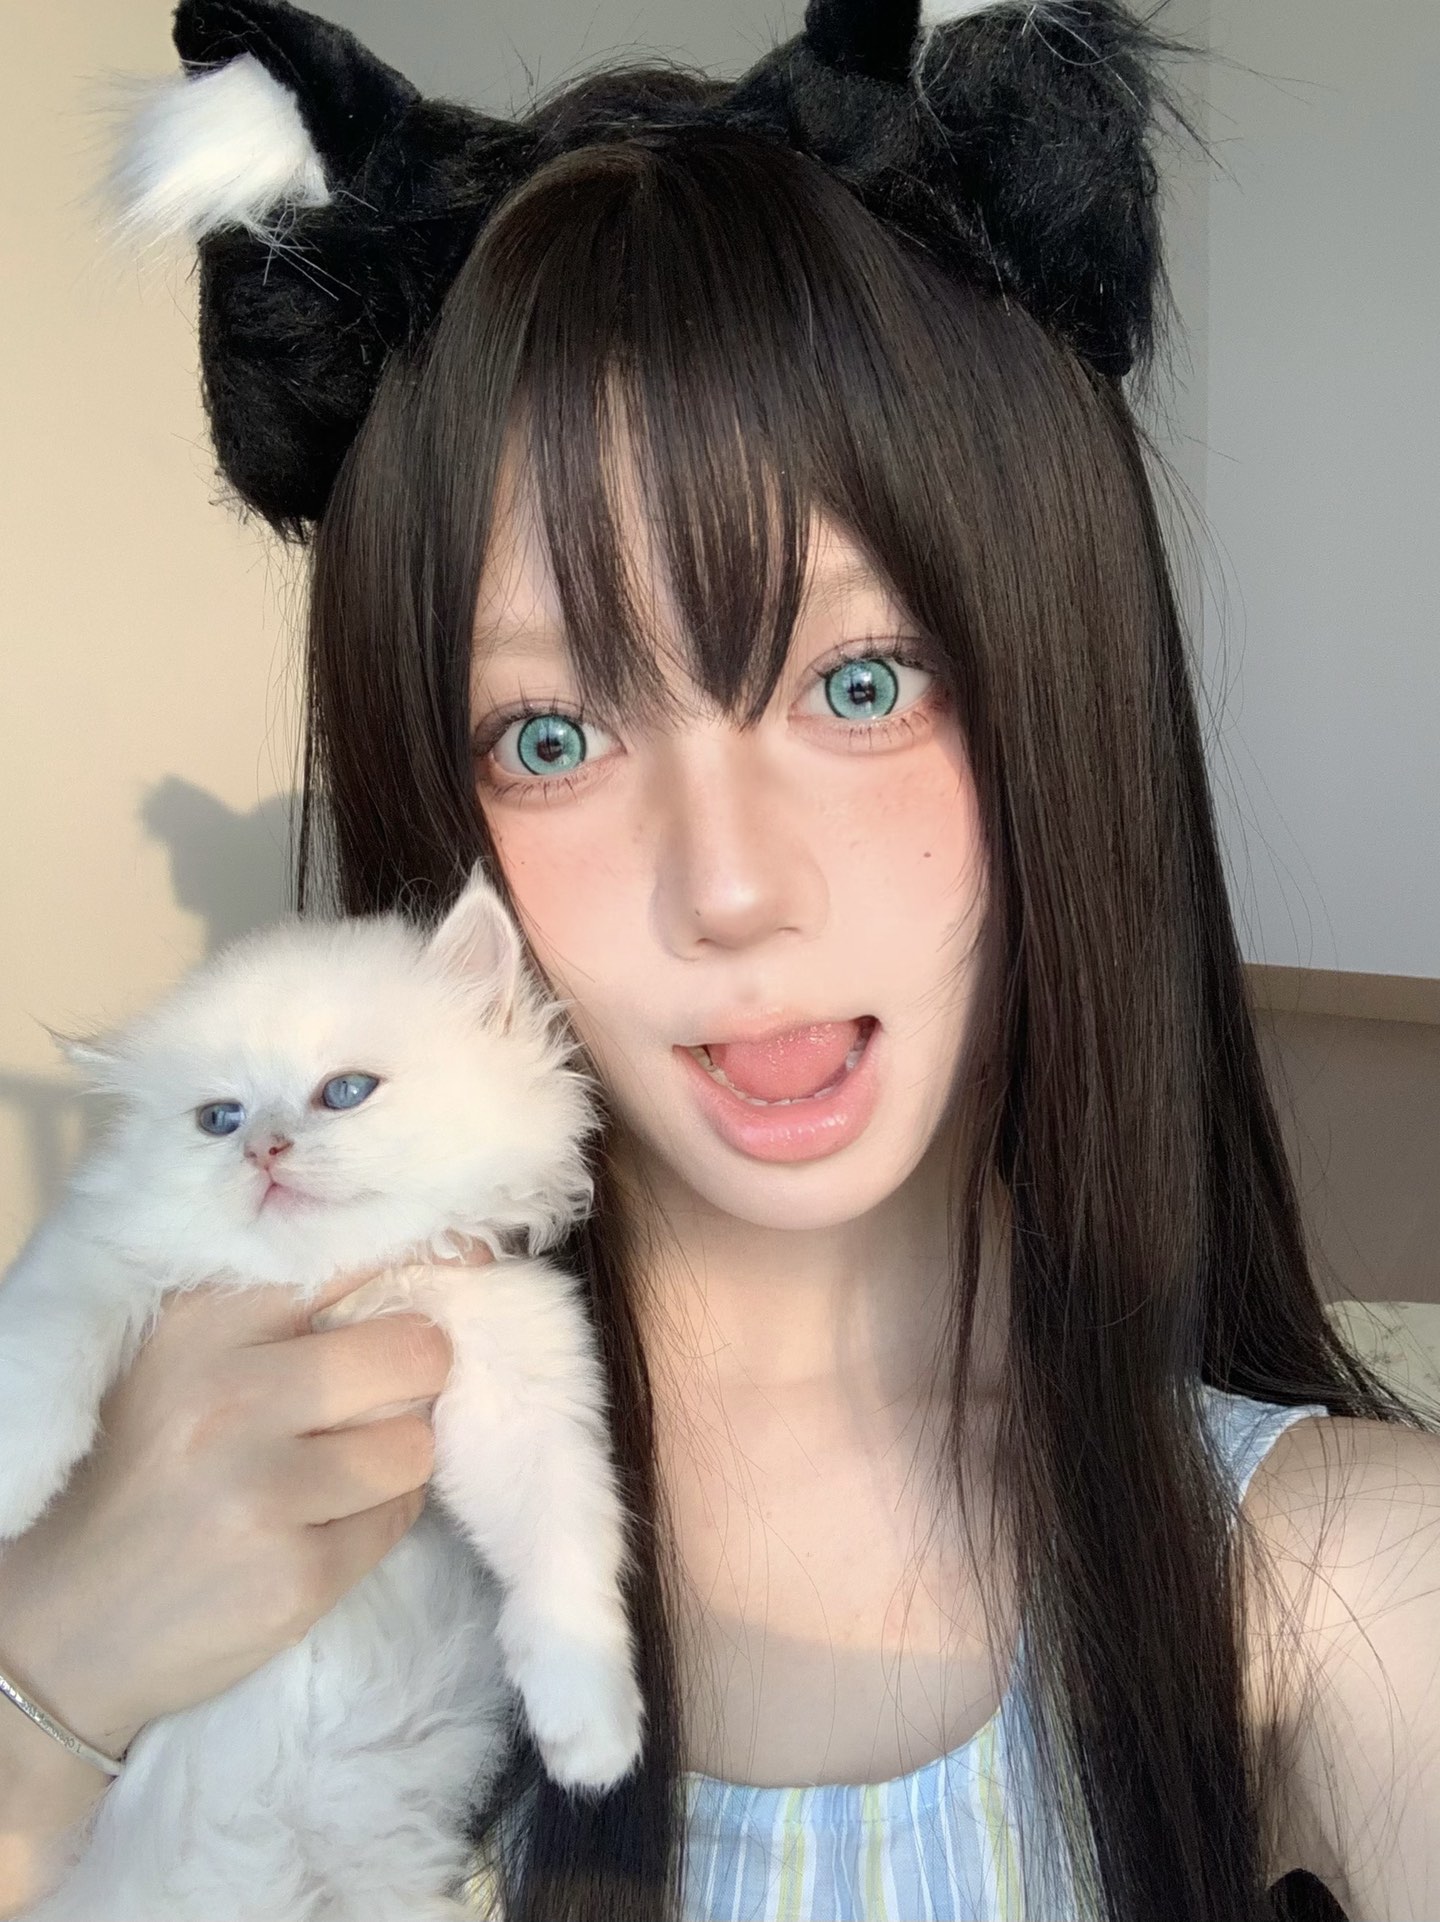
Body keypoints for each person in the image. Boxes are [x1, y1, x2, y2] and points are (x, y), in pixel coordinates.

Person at [1, 2, 1437, 1918]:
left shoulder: (1344, 1587)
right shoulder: (228, 1491)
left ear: (1058, 691)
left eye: (862, 682)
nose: (731, 888)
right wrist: (54, 1664)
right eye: (553, 735)